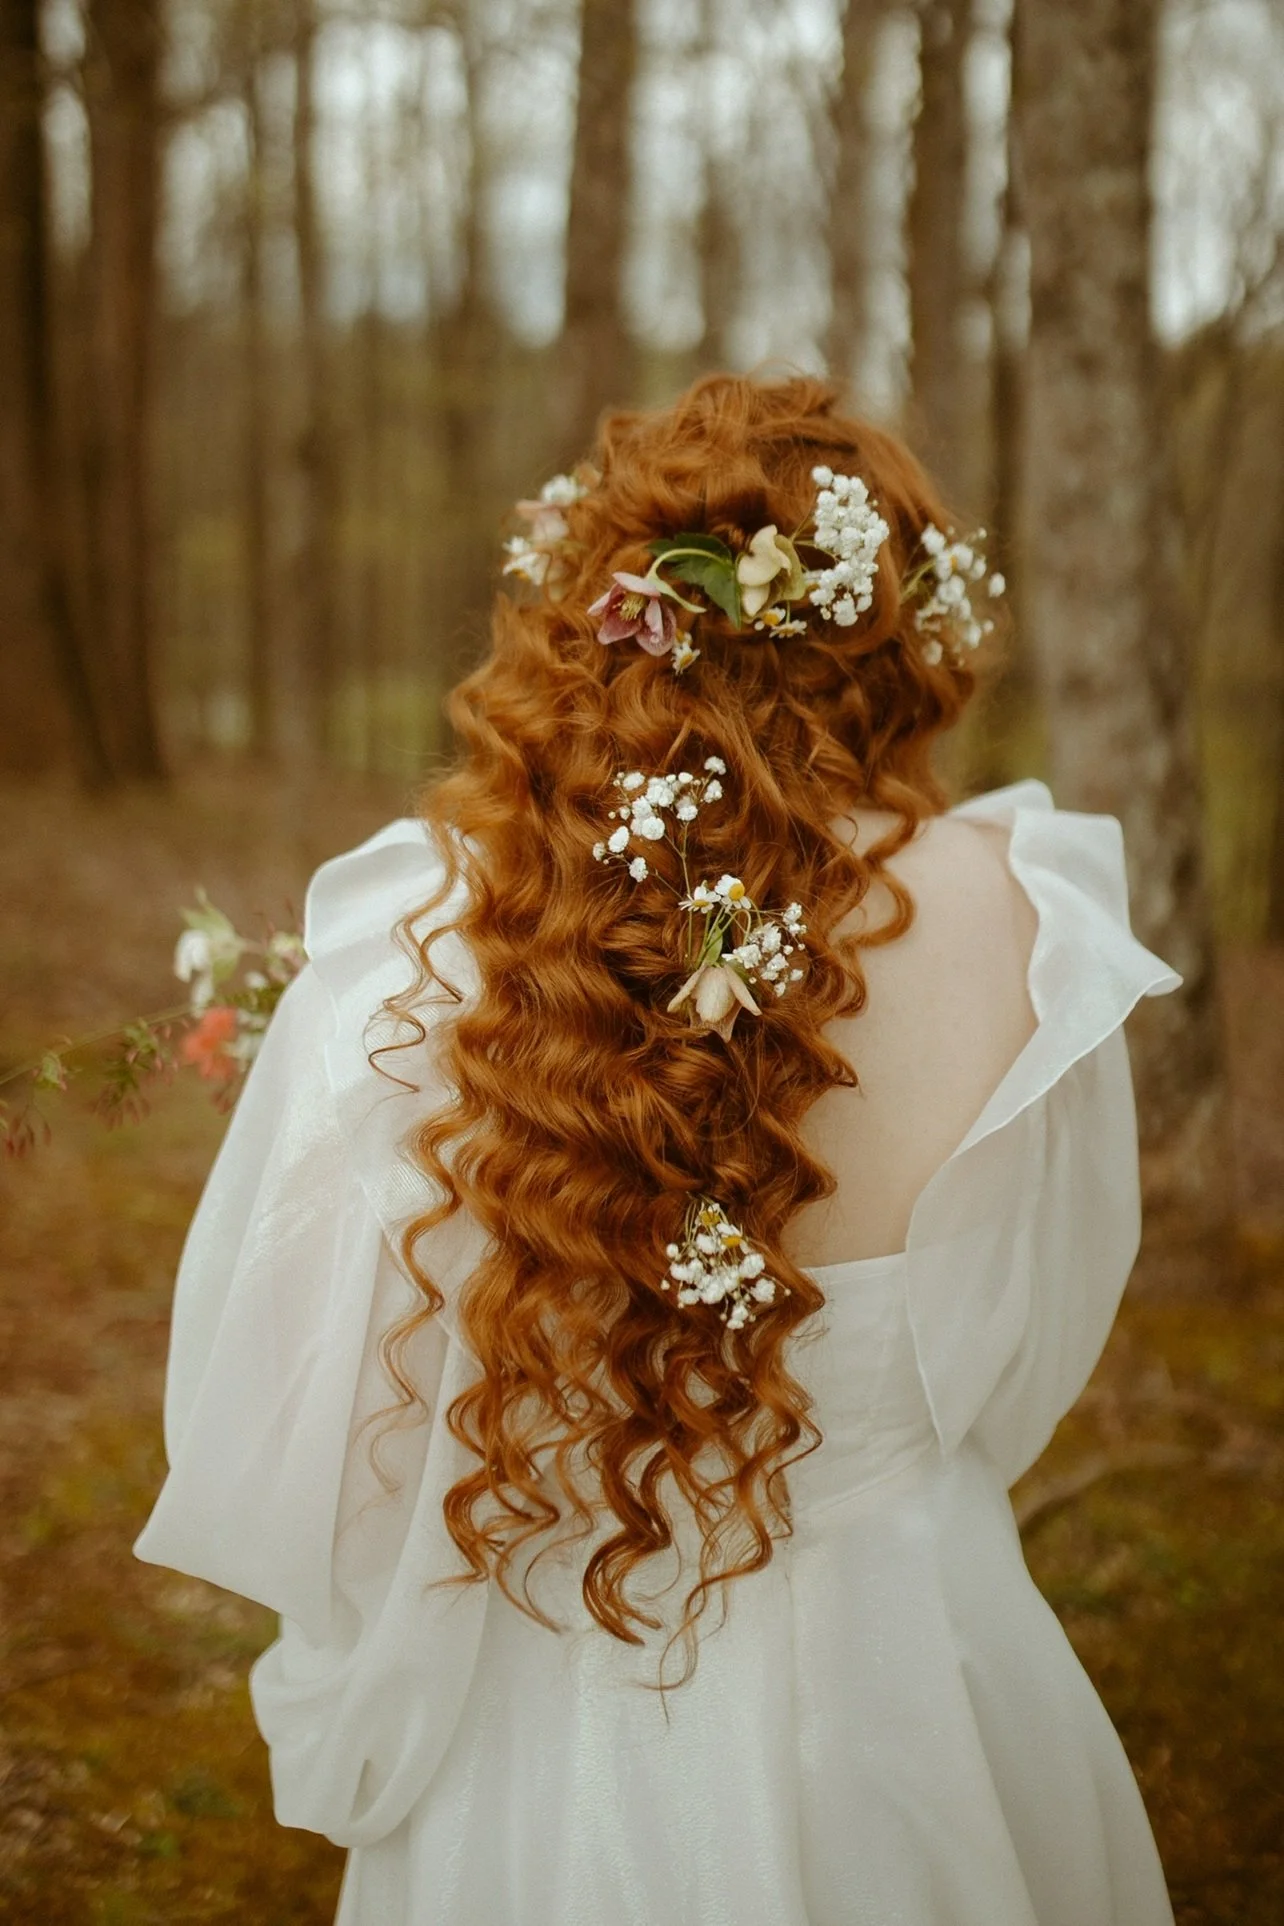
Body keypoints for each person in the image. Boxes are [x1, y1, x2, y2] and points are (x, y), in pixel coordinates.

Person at [136, 373, 1180, 1925]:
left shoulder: (432, 935)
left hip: (545, 1722)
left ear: (602, 605)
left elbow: (312, 1431)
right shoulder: (1032, 917)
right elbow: (1022, 1354)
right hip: (919, 1696)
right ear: (891, 625)